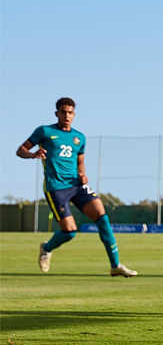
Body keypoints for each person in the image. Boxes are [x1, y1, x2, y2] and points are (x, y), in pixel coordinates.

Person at [17, 97, 138, 277]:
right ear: (56, 113)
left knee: (103, 219)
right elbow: (20, 150)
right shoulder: (44, 131)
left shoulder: (79, 137)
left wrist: (83, 174)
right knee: (70, 232)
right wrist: (33, 154)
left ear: (74, 114)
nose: (67, 115)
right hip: (56, 187)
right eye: (63, 112)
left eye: (70, 112)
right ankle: (46, 248)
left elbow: (80, 162)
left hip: (77, 185)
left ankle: (116, 266)